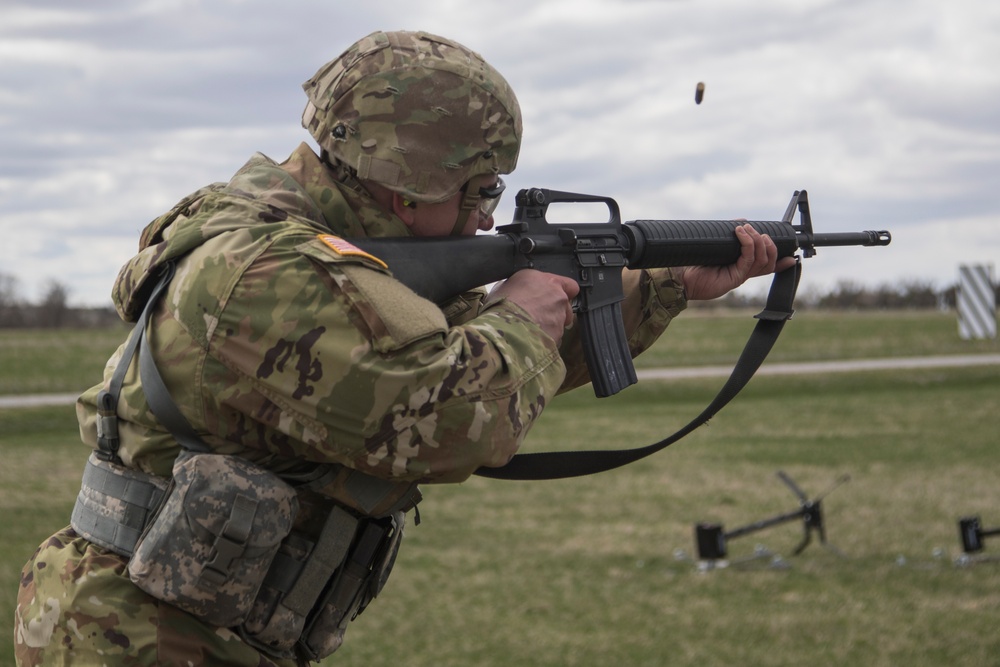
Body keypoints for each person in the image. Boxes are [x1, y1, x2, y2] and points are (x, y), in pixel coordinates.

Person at [14, 30, 794, 666]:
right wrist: (525, 310)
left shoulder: (347, 259)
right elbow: (452, 418)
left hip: (195, 620)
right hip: (133, 634)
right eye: (477, 190)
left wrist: (668, 283)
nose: (486, 219)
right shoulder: (265, 270)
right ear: (405, 182)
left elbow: (472, 363)